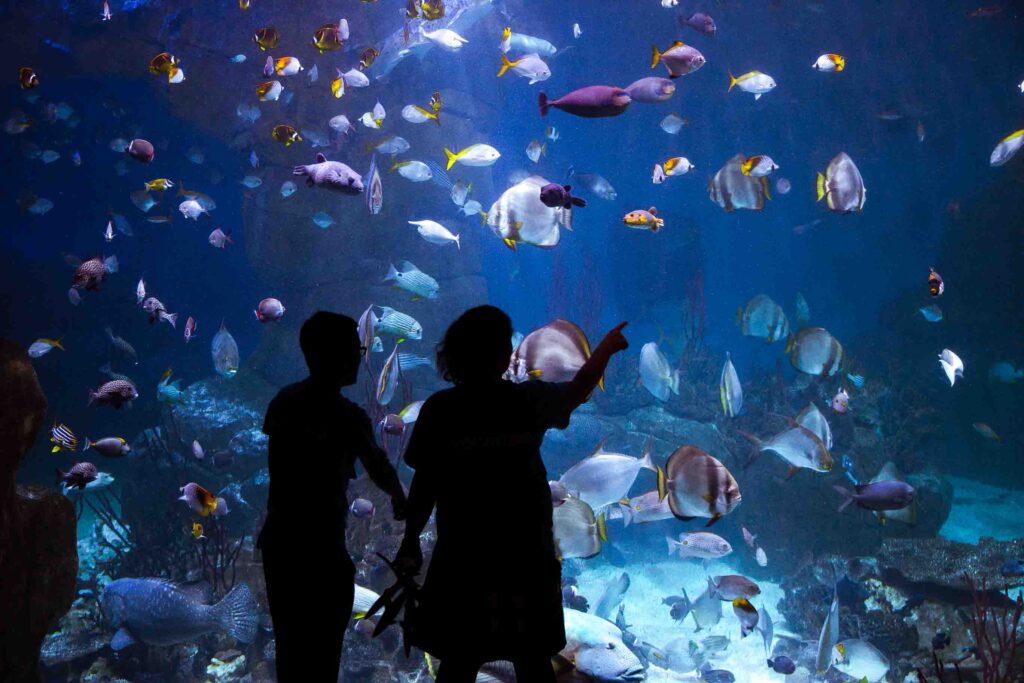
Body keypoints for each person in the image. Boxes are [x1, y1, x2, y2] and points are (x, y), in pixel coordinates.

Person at [394, 306, 628, 682]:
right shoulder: (525, 401)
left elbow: (425, 485)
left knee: (459, 657)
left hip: (463, 557)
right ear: (503, 355)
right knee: (533, 658)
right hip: (525, 557)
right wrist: (605, 349)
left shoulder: (441, 410)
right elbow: (576, 390)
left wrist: (409, 543)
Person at [257, 311, 407, 682]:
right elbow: (379, 466)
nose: (361, 355)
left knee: (291, 647)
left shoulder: (283, 402)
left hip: (281, 544)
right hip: (322, 550)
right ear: (339, 357)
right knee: (324, 653)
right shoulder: (349, 417)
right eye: (357, 349)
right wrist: (400, 497)